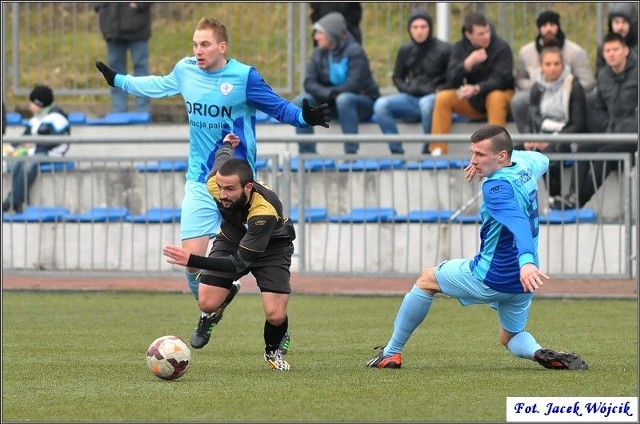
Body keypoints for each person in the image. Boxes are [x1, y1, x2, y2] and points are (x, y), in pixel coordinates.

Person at [95, 17, 330, 350]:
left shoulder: (243, 77)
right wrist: (119, 80)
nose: (198, 51)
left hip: (237, 185)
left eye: (205, 44)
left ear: (222, 47)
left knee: (252, 256)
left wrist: (305, 118)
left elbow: (277, 107)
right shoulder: (186, 70)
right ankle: (213, 307)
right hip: (199, 182)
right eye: (194, 44)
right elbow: (159, 85)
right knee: (190, 264)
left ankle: (274, 316)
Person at [365, 124, 588, 371]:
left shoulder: (496, 188)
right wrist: (526, 266)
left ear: (502, 156)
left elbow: (518, 222)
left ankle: (391, 353)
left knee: (426, 279)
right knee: (509, 337)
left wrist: (526, 261)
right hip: (523, 284)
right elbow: (542, 158)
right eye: (472, 153)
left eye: (480, 155)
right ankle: (537, 352)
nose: (473, 160)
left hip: (493, 275)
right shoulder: (525, 166)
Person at [162, 134, 295, 371]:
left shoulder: (263, 211)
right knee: (207, 303)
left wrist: (192, 259)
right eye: (221, 187)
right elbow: (221, 160)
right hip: (232, 238)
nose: (222, 195)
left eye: (230, 189)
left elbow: (238, 264)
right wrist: (226, 144)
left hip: (272, 248)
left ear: (248, 187)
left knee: (275, 315)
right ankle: (221, 302)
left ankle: (273, 350)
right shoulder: (215, 182)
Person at [550, 32, 638, 210]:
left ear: (626, 50)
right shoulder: (604, 76)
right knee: (584, 147)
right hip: (612, 133)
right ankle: (573, 195)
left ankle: (579, 201)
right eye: (607, 50)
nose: (611, 54)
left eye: (615, 49)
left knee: (605, 154)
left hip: (633, 136)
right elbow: (598, 107)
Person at [292, 11, 379, 155]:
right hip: (331, 102)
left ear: (332, 34)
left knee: (345, 99)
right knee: (301, 101)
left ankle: (351, 154)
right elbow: (309, 82)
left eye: (320, 33)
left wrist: (333, 94)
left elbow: (354, 85)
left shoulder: (355, 51)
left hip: (360, 104)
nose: (316, 37)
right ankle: (307, 155)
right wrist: (330, 94)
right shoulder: (318, 53)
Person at [429, 13, 515, 156]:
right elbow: (450, 80)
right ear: (469, 34)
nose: (486, 36)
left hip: (501, 97)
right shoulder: (459, 48)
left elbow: (502, 79)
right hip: (474, 100)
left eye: (487, 31)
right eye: (481, 34)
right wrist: (467, 64)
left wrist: (477, 88)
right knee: (444, 97)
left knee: (495, 96)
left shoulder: (501, 48)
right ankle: (438, 150)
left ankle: (497, 150)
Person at [372, 8, 451, 155]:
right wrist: (407, 88)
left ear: (430, 27)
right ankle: (397, 151)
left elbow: (453, 78)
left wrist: (439, 89)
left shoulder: (444, 49)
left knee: (426, 104)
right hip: (411, 98)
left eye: (423, 27)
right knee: (381, 105)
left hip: (433, 98)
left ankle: (427, 150)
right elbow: (397, 77)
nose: (419, 31)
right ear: (410, 29)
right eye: (415, 27)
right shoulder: (406, 49)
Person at [511, 10, 596, 134]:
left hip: (569, 95)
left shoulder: (576, 51)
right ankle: (528, 138)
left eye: (552, 25)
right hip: (538, 91)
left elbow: (589, 81)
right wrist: (538, 86)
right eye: (544, 26)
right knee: (518, 101)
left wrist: (567, 90)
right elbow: (519, 79)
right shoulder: (526, 52)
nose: (548, 29)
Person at [520, 43, 587, 199]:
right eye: (548, 64)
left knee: (547, 154)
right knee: (513, 153)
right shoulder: (537, 87)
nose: (552, 68)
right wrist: (529, 138)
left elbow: (578, 124)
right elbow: (533, 118)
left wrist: (552, 139)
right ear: (541, 66)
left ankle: (554, 198)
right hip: (543, 134)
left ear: (563, 65)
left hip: (566, 136)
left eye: (556, 64)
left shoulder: (574, 86)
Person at [2, 85, 70, 214]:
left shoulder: (57, 118)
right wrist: (10, 148)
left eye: (33, 103)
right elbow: (25, 136)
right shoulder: (37, 118)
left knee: (28, 165)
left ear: (41, 103)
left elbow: (54, 141)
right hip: (37, 152)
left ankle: (13, 201)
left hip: (52, 154)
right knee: (18, 164)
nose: (30, 106)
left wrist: (34, 145)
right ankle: (17, 203)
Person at [95, 2, 153, 113]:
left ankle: (142, 110)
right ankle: (119, 110)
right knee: (114, 72)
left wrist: (140, 4)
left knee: (141, 68)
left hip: (138, 24)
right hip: (111, 25)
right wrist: (100, 6)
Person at [595, 3, 638, 77]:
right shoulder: (604, 47)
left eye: (624, 22)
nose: (620, 27)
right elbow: (599, 76)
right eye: (616, 22)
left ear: (632, 23)